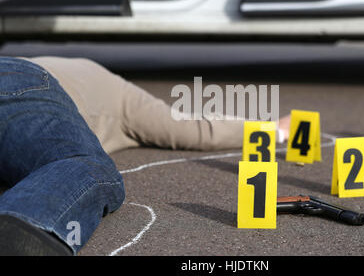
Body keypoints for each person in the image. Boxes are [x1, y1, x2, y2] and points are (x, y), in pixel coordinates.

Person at [0, 56, 290, 256]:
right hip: (23, 80)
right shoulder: (125, 96)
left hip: (16, 67)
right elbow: (195, 129)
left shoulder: (85, 75)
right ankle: (19, 229)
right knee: (82, 166)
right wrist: (272, 129)